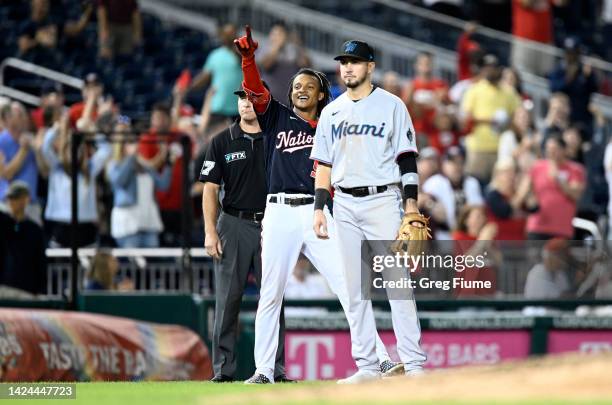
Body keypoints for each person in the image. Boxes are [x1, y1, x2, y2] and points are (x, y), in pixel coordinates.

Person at [233, 28, 398, 384]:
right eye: (296, 86)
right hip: (278, 211)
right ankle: (263, 371)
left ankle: (380, 360)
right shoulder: (276, 117)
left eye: (309, 85)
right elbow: (255, 90)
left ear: (322, 93)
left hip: (318, 212)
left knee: (350, 287)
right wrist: (248, 60)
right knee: (270, 293)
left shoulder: (334, 123)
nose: (301, 90)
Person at [311, 39, 427, 383]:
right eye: (344, 61)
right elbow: (324, 165)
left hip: (383, 201)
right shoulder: (331, 111)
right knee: (354, 289)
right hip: (343, 203)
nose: (348, 67)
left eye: (355, 61)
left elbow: (407, 158)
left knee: (397, 285)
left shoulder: (392, 105)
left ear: (370, 67)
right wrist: (319, 208)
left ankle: (414, 364)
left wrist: (411, 205)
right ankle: (367, 365)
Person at [199, 86, 291, 383]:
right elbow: (210, 188)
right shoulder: (222, 140)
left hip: (273, 223)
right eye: (241, 98)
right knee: (227, 300)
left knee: (274, 299)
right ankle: (223, 371)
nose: (246, 104)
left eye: (252, 98)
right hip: (234, 223)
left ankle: (274, 369)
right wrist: (210, 231)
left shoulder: (278, 138)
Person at [107, 118, 171, 248]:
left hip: (149, 222)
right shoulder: (113, 164)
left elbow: (163, 185)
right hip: (128, 224)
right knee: (133, 267)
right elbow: (119, 182)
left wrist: (169, 163)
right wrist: (131, 157)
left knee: (152, 266)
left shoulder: (143, 164)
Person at [461, 54, 521, 184]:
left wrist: (507, 123)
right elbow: (466, 118)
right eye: (485, 68)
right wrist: (491, 120)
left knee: (499, 188)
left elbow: (519, 116)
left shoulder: (509, 92)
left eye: (492, 68)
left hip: (502, 149)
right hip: (478, 148)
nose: (488, 71)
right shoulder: (474, 89)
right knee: (475, 185)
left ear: (499, 69)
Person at [138, 102, 187, 246]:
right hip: (157, 204)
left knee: (181, 246)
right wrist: (163, 153)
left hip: (180, 203)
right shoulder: (147, 139)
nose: (157, 122)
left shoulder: (179, 137)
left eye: (161, 118)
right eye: (155, 118)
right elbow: (149, 166)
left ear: (168, 119)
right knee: (161, 245)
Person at [521, 136, 585, 240]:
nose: (551, 152)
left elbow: (576, 195)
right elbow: (524, 191)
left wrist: (559, 180)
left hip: (561, 229)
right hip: (537, 226)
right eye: (548, 149)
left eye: (554, 149)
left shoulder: (575, 170)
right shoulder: (537, 167)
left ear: (564, 150)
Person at [422, 146, 484, 240]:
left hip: (467, 235)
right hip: (442, 235)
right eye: (452, 162)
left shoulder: (472, 182)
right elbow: (423, 200)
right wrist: (431, 204)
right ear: (444, 164)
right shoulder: (434, 182)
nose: (456, 166)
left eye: (460, 162)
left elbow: (478, 208)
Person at [0, 101, 46, 223]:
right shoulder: (1, 141)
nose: (23, 118)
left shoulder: (33, 139)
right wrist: (23, 150)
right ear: (8, 118)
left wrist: (38, 151)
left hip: (31, 204)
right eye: (18, 114)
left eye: (23, 114)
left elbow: (45, 172)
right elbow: (6, 174)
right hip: (8, 204)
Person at [189, 24, 242, 127]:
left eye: (232, 33)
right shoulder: (214, 55)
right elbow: (205, 77)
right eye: (227, 33)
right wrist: (189, 86)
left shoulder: (243, 54)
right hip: (217, 108)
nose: (229, 36)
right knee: (215, 140)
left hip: (238, 110)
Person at [0, 181, 46, 295]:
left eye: (15, 198)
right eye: (9, 198)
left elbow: (40, 262)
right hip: (4, 288)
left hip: (27, 289)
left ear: (26, 199)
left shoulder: (34, 229)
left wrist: (40, 290)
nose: (11, 202)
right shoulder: (3, 224)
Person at [549, 37, 598, 137]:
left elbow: (594, 89)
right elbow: (553, 88)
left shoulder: (584, 70)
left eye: (574, 53)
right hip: (562, 118)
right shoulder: (560, 69)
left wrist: (588, 77)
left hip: (581, 118)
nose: (571, 56)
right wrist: (568, 79)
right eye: (569, 53)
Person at [403, 51, 448, 146]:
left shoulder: (440, 85)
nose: (426, 66)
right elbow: (405, 109)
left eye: (428, 63)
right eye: (422, 63)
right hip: (415, 133)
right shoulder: (411, 86)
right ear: (416, 65)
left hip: (435, 135)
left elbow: (446, 112)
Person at [258, 22, 311, 100]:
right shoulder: (264, 48)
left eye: (280, 34)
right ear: (270, 35)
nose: (278, 37)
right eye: (275, 34)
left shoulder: (292, 49)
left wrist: (299, 46)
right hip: (270, 100)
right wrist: (277, 46)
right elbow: (266, 65)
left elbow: (306, 66)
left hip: (289, 99)